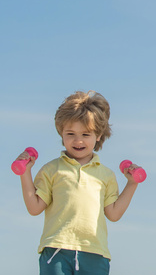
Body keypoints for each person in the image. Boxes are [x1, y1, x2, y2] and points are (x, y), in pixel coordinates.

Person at [15, 91, 142, 275]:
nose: (78, 140)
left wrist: (132, 184)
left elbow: (113, 214)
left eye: (86, 134)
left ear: (98, 135)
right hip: (56, 249)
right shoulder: (52, 170)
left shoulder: (106, 175)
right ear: (61, 133)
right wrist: (25, 172)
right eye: (71, 133)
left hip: (95, 252)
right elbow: (34, 208)